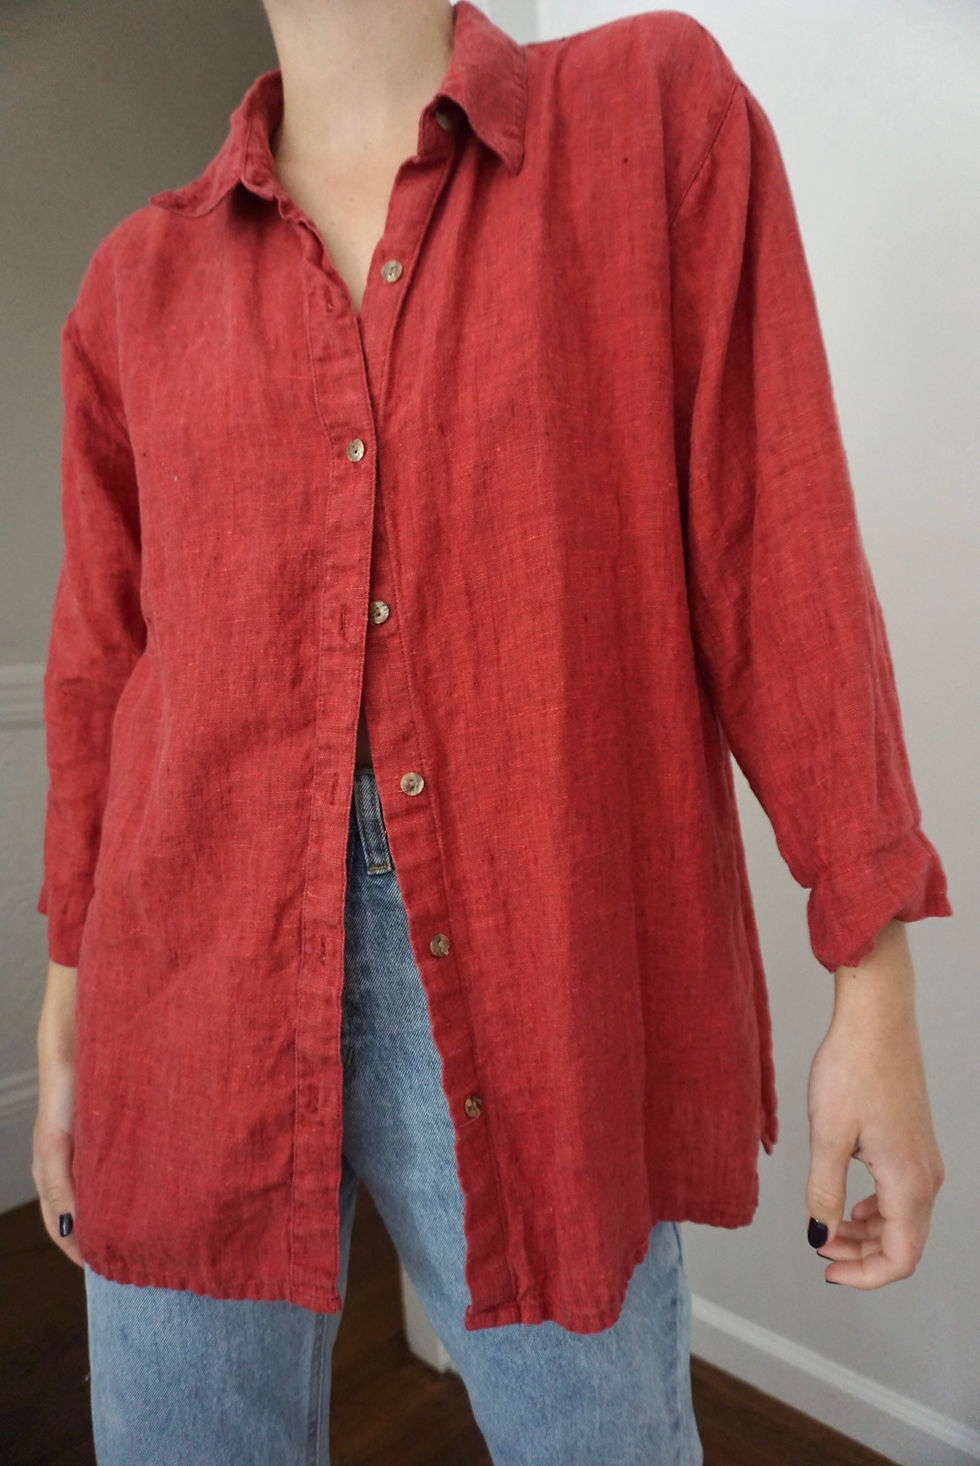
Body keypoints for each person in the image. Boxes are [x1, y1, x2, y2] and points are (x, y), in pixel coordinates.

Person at [32, 1, 951, 1462]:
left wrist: (873, 971)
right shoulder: (132, 285)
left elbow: (776, 549)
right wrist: (69, 1003)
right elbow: (101, 671)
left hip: (542, 977)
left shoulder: (651, 121)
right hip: (179, 985)